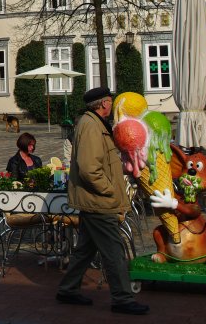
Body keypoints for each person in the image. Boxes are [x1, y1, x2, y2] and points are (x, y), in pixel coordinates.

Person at [56, 86, 149, 315]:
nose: (112, 105)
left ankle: (68, 289)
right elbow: (89, 169)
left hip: (96, 199)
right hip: (98, 201)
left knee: (85, 249)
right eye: (110, 101)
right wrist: (108, 190)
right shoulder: (90, 126)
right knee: (114, 251)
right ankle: (122, 298)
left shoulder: (94, 124)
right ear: (104, 103)